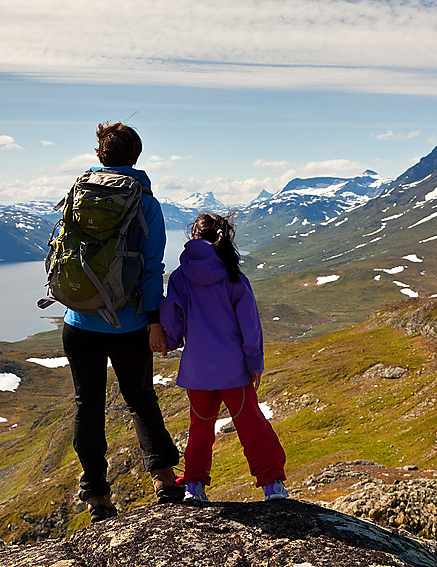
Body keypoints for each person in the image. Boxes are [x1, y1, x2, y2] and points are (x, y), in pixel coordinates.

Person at [61, 122, 183, 523]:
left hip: (78, 321)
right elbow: (152, 270)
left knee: (88, 407)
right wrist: (154, 321)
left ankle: (97, 499)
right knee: (140, 399)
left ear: (100, 155)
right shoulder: (145, 202)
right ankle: (165, 482)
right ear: (136, 156)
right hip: (128, 323)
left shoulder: (79, 192)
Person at [160, 212, 288, 502]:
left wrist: (169, 340)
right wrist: (254, 362)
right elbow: (250, 324)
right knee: (251, 424)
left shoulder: (181, 275)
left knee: (200, 427)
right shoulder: (232, 274)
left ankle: (194, 486)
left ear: (194, 235)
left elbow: (171, 314)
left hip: (197, 370)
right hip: (233, 369)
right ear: (224, 236)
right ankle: (272, 486)